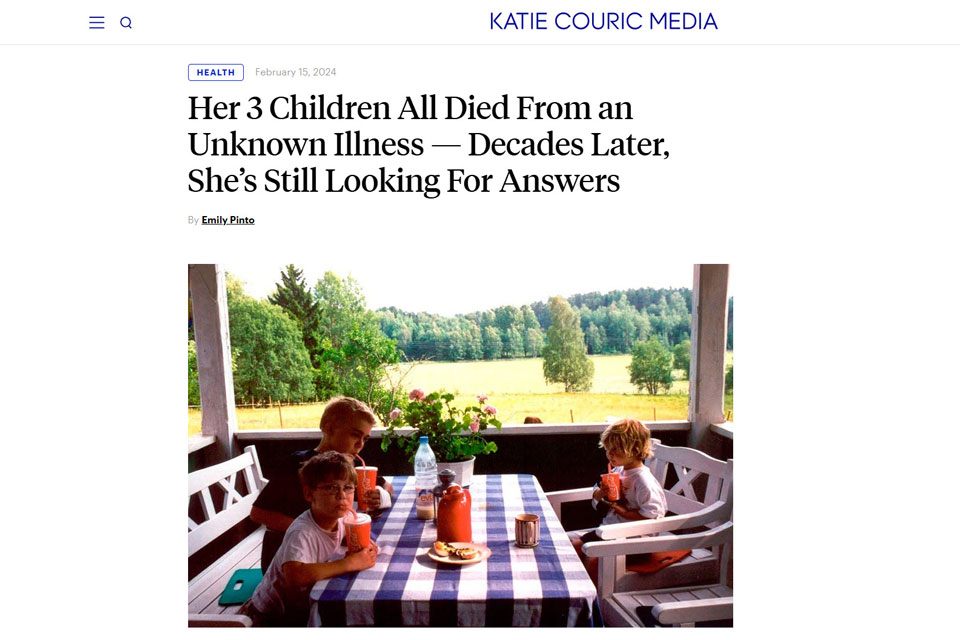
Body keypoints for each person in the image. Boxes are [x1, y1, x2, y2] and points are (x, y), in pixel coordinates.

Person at [251, 396, 394, 570]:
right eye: (355, 435)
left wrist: (381, 494)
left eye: (365, 438)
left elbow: (387, 485)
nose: (360, 444)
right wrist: (319, 533)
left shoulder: (348, 464)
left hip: (328, 552)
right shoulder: (298, 464)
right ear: (329, 428)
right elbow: (258, 513)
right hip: (287, 561)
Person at [242, 452, 378, 626]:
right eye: (331, 488)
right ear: (309, 494)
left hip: (302, 603)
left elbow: (339, 537)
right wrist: (350, 563)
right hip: (272, 615)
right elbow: (295, 575)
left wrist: (359, 544)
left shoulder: (339, 519)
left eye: (348, 487)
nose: (342, 496)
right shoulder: (303, 531)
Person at [570, 418, 667, 584]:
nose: (609, 454)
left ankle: (594, 602)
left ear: (635, 449)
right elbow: (597, 495)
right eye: (608, 449)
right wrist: (602, 493)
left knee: (595, 562)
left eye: (616, 450)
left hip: (637, 542)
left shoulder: (643, 481)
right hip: (611, 531)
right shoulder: (619, 470)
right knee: (575, 547)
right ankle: (573, 591)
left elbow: (655, 515)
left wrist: (627, 514)